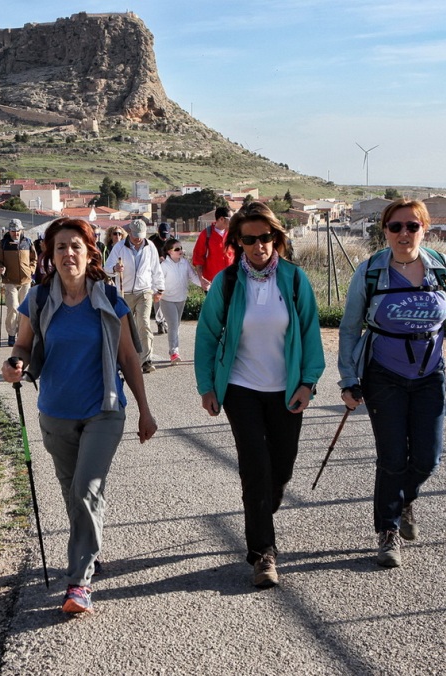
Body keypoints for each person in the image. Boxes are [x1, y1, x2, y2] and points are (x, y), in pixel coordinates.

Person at [2, 217, 157, 615]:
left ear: (90, 253)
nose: (68, 253)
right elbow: (22, 344)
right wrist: (14, 364)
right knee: (76, 496)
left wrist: (144, 410)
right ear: (49, 256)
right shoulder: (37, 298)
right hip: (54, 412)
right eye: (60, 247)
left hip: (104, 410)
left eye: (75, 246)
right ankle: (89, 551)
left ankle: (79, 584)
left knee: (86, 489)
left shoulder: (107, 297)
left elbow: (128, 358)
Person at [338, 198, 446, 568]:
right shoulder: (370, 271)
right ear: (384, 230)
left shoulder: (443, 268)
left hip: (430, 373)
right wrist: (349, 379)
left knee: (428, 459)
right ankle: (387, 531)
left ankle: (403, 501)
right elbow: (351, 327)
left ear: (424, 228)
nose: (404, 233)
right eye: (395, 227)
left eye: (412, 226)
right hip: (383, 373)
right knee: (392, 457)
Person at [195, 202, 324, 588]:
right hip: (241, 389)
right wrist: (207, 386)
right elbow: (206, 335)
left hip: (286, 391)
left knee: (280, 468)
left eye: (264, 237)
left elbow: (311, 335)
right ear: (238, 241)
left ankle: (266, 503)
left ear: (276, 237)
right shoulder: (228, 282)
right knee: (254, 468)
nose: (258, 245)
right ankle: (263, 554)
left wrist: (308, 383)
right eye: (248, 239)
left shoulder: (296, 280)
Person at [104, 218, 165, 373]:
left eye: (141, 235)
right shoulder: (119, 247)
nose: (138, 239)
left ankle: (146, 360)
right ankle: (125, 360)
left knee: (144, 324)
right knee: (125, 328)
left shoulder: (150, 246)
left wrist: (160, 289)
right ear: (130, 232)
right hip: (124, 293)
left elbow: (156, 269)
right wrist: (115, 268)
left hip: (144, 291)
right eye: (135, 235)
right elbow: (106, 269)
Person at [0, 218, 36, 347]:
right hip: (9, 280)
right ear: (9, 231)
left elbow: (34, 259)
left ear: (21, 230)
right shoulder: (3, 244)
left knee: (24, 310)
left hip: (25, 280)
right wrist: (0, 268)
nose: (16, 233)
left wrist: (31, 270)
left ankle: (22, 335)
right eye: (13, 231)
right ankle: (11, 334)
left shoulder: (28, 242)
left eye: (18, 231)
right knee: (13, 307)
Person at [158, 238, 200, 364]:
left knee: (176, 325)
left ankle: (174, 350)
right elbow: (158, 281)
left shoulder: (185, 263)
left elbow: (193, 277)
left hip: (181, 298)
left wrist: (206, 285)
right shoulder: (164, 265)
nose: (180, 251)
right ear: (169, 252)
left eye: (181, 248)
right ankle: (174, 352)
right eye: (177, 249)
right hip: (167, 299)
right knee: (173, 325)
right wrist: (158, 292)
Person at [192, 205, 235, 292]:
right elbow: (198, 259)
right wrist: (201, 279)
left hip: (231, 281)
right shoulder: (206, 234)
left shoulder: (233, 234)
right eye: (231, 219)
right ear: (221, 219)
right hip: (212, 284)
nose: (233, 222)